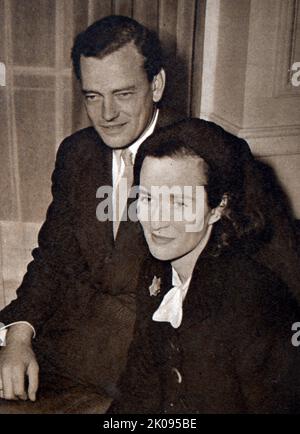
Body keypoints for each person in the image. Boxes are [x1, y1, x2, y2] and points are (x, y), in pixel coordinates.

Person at [0, 15, 299, 413]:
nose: (106, 114)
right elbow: (53, 257)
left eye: (123, 94)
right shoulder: (77, 154)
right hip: (62, 347)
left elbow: (282, 270)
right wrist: (18, 335)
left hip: (145, 368)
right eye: (92, 96)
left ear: (156, 84)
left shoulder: (207, 151)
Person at [108, 119, 300, 414]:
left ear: (218, 206)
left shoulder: (252, 298)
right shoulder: (156, 272)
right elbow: (138, 389)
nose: (156, 220)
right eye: (147, 198)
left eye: (179, 203)